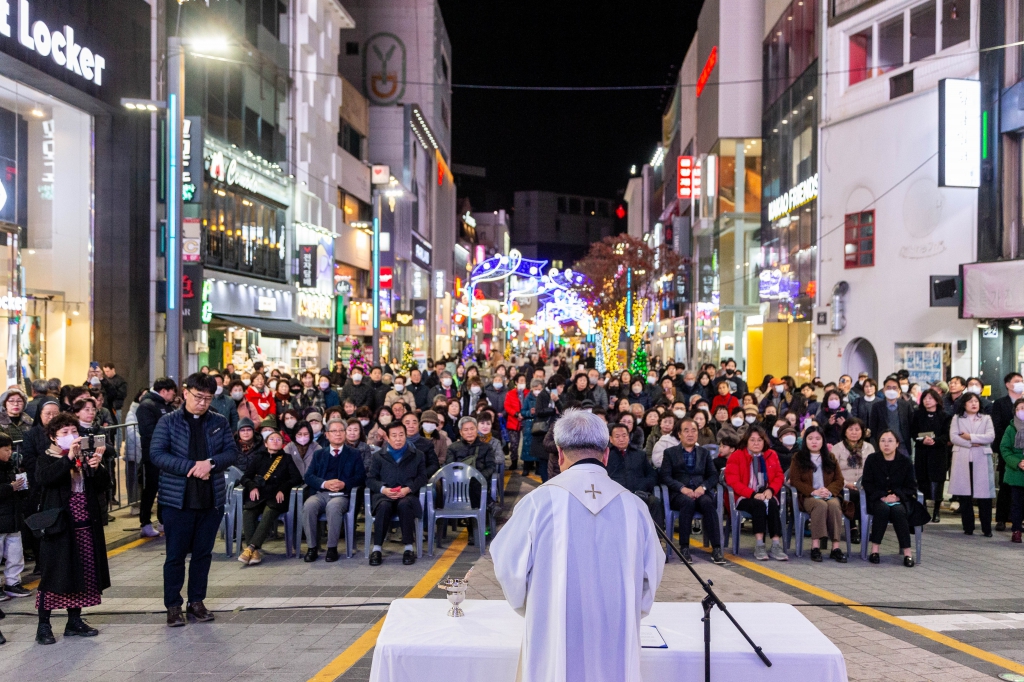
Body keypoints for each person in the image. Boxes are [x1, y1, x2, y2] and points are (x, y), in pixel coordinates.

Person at [491, 409, 664, 682]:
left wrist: (540, 607)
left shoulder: (538, 502)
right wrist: (627, 610)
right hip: (616, 634)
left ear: (559, 453)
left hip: (554, 633)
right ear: (606, 453)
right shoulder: (635, 507)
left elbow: (508, 567)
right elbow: (650, 575)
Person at [150, 373, 239, 627]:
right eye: (198, 397)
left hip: (210, 499)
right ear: (186, 392)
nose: (202, 403)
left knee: (203, 554)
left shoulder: (219, 422)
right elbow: (157, 454)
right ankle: (173, 605)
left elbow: (231, 453)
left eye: (208, 398)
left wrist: (210, 464)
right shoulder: (168, 422)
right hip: (177, 499)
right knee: (175, 555)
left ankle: (196, 601)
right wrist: (192, 466)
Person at [33, 413, 110, 644]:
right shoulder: (47, 458)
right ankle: (43, 625)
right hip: (59, 525)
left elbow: (103, 485)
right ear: (53, 437)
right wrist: (68, 459)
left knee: (82, 571)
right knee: (54, 573)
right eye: (64, 433)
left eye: (74, 431)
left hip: (85, 521)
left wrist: (98, 467)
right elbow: (45, 479)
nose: (71, 436)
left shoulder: (86, 456)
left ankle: (74, 621)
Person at [659, 418, 726, 564]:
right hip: (679, 494)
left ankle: (716, 549)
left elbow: (713, 475)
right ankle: (684, 548)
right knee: (687, 503)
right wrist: (682, 488)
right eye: (686, 430)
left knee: (708, 503)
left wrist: (703, 487)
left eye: (693, 430)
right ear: (679, 434)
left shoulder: (704, 453)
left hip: (700, 491)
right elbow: (665, 476)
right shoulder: (670, 453)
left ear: (698, 433)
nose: (690, 434)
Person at [300, 418, 366, 563]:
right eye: (334, 431)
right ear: (327, 435)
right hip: (322, 493)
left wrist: (344, 484)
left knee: (333, 506)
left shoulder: (354, 454)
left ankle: (332, 548)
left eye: (341, 431)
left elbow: (361, 477)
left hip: (342, 495)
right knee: (309, 505)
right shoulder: (319, 454)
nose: (338, 434)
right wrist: (324, 484)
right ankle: (312, 547)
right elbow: (309, 476)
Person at [366, 421, 427, 566]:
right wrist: (383, 489)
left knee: (405, 505)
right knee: (384, 507)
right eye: (394, 435)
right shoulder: (378, 456)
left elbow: (422, 477)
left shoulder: (417, 455)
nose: (398, 439)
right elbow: (370, 479)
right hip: (384, 495)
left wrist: (408, 489)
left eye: (401, 435)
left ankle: (408, 548)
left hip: (407, 494)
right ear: (387, 437)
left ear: (406, 436)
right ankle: (377, 549)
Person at [862, 430, 926, 566]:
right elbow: (867, 483)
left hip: (899, 499)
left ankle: (907, 553)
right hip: (878, 499)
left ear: (897, 444)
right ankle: (875, 550)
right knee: (882, 510)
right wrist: (883, 496)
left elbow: (911, 486)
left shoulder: (905, 462)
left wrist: (897, 496)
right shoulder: (872, 459)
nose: (886, 444)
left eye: (890, 441)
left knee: (898, 511)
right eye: (883, 441)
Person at [238, 430, 302, 565]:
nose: (275, 441)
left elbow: (296, 478)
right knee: (247, 512)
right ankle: (254, 552)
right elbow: (245, 477)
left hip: (276, 497)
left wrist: (282, 489)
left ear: (282, 444)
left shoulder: (286, 458)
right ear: (266, 444)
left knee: (269, 512)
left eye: (278, 440)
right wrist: (252, 486)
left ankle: (250, 547)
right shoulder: (258, 457)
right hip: (259, 495)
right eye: (272, 439)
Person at [724, 425, 787, 561]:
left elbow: (779, 476)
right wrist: (752, 494)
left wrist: (771, 490)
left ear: (764, 441)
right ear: (746, 441)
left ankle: (776, 545)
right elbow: (733, 482)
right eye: (752, 440)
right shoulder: (737, 456)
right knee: (758, 505)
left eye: (759, 440)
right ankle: (759, 545)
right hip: (744, 496)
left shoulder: (771, 454)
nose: (756, 443)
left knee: (772, 504)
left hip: (766, 494)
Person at [788, 426, 847, 563]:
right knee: (820, 505)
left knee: (834, 506)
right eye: (810, 439)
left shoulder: (830, 457)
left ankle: (835, 548)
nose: (814, 442)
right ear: (805, 441)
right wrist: (813, 491)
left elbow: (839, 479)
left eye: (817, 439)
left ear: (823, 441)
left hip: (829, 495)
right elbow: (795, 480)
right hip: (809, 496)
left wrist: (829, 491)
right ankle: (815, 547)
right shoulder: (798, 457)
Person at [949, 392, 996, 537]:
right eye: (970, 401)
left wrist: (970, 437)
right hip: (963, 458)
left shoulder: (986, 418)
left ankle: (986, 528)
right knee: (965, 495)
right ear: (964, 404)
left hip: (981, 458)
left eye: (976, 401)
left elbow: (990, 436)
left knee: (984, 496)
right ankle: (968, 527)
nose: (974, 404)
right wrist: (972, 443)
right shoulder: (957, 418)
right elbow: (954, 437)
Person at [136, 378, 177, 538]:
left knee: (165, 488)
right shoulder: (147, 406)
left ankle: (162, 520)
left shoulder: (165, 406)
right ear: (164, 391)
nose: (174, 395)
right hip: (153, 455)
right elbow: (149, 432)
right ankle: (145, 522)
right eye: (172, 392)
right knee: (151, 488)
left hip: (167, 455)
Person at [606, 422, 664, 530]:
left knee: (654, 502)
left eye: (624, 436)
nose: (621, 439)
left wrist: (642, 486)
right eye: (617, 436)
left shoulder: (639, 455)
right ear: (611, 439)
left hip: (639, 493)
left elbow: (652, 475)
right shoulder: (606, 456)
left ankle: (657, 540)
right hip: (615, 495)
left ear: (629, 437)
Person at [912, 389, 951, 522]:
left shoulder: (944, 416)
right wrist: (923, 440)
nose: (927, 400)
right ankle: (923, 509)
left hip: (939, 452)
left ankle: (936, 510)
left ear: (936, 400)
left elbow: (947, 435)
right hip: (922, 451)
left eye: (930, 398)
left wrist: (935, 441)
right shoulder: (917, 415)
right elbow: (913, 433)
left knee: (938, 481)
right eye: (925, 398)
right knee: (922, 480)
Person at [992, 373, 1024, 531]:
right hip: (1008, 452)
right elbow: (997, 427)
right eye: (1017, 381)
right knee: (1005, 487)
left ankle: (1018, 520)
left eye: (1022, 381)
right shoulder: (1000, 403)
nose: (1020, 384)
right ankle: (1002, 518)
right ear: (1008, 384)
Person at [833, 418, 873, 544]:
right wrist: (846, 484)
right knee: (852, 495)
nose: (854, 432)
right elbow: (833, 472)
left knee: (867, 495)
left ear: (863, 432)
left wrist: (864, 484)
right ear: (845, 431)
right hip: (843, 485)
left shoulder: (869, 448)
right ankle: (853, 528)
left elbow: (873, 470)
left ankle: (865, 528)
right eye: (850, 429)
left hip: (865, 485)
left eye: (857, 429)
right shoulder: (837, 448)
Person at [0, 433, 28, 601]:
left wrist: (23, 486)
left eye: (10, 449)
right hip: (1, 520)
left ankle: (13, 583)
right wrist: (9, 488)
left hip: (13, 519)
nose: (9, 453)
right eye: (5, 450)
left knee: (15, 554)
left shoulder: (11, 466)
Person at [999, 398, 1024, 543]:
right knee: (1016, 503)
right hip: (1016, 472)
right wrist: (1018, 462)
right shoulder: (1010, 428)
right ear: (1015, 411)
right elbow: (1004, 448)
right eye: (1020, 408)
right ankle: (1016, 530)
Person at [869, 377, 914, 455]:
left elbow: (911, 425)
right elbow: (873, 427)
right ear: (883, 390)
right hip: (884, 446)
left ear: (899, 390)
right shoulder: (877, 406)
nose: (891, 390)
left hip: (902, 446)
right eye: (888, 387)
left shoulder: (906, 405)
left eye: (894, 388)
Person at [521, 378, 554, 481]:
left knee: (539, 449)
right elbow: (523, 411)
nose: (537, 390)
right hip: (530, 425)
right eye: (535, 388)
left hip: (542, 426)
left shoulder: (544, 397)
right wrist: (529, 412)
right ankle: (526, 467)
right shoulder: (528, 398)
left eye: (539, 388)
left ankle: (537, 468)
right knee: (527, 447)